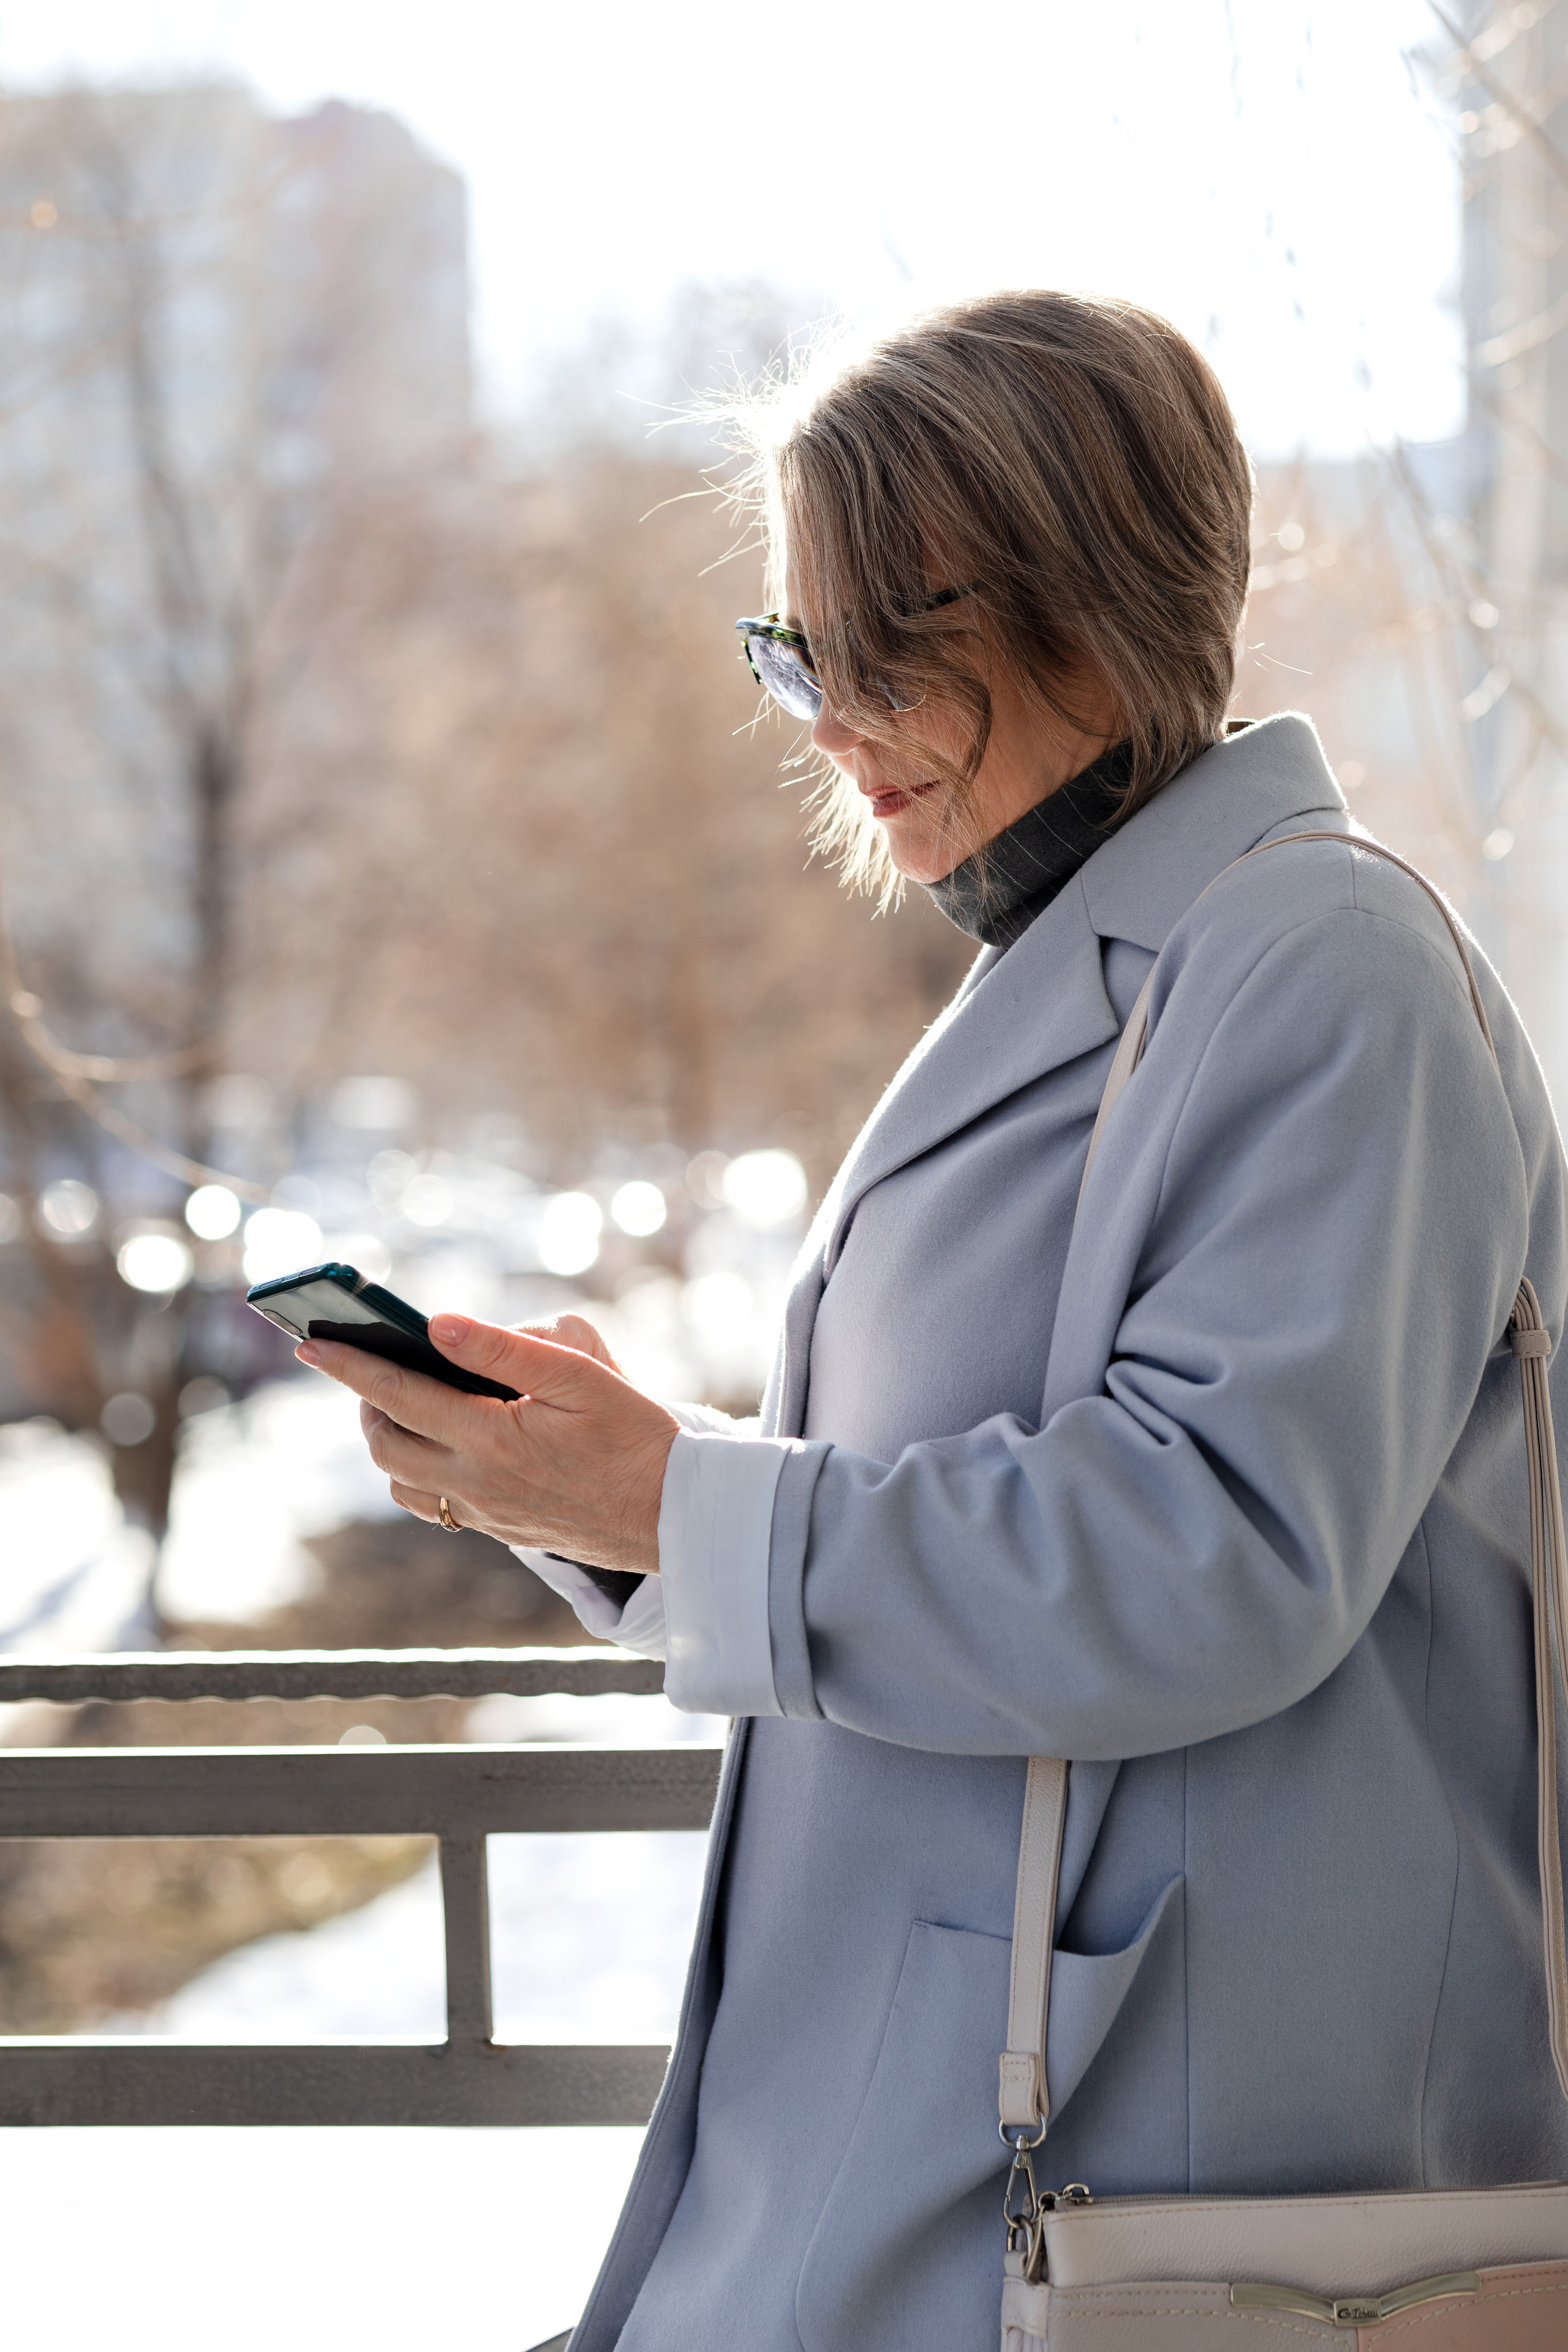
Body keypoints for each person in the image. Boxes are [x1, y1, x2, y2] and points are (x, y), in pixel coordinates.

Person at [296, 292, 1568, 2352]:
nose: (821, 714)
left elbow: (1215, 1550)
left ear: (1094, 596)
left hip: (1146, 2167)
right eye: (791, 649)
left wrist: (698, 1511)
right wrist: (617, 1489)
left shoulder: (1325, 962)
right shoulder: (1108, 964)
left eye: (877, 648)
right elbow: (955, 1499)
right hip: (930, 2124)